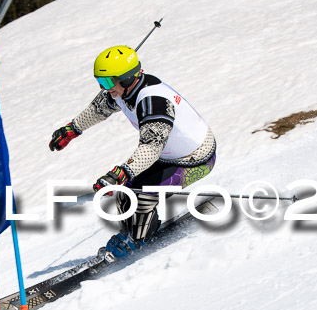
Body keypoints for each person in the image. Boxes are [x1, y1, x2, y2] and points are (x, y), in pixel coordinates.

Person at [49, 45, 216, 259]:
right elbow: (97, 109)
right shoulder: (123, 90)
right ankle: (133, 232)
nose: (104, 88)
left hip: (197, 159)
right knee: (124, 193)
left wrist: (121, 173)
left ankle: (138, 239)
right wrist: (72, 130)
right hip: (170, 156)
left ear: (127, 78)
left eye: (108, 82)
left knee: (139, 194)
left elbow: (151, 148)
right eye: (100, 82)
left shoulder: (153, 101)